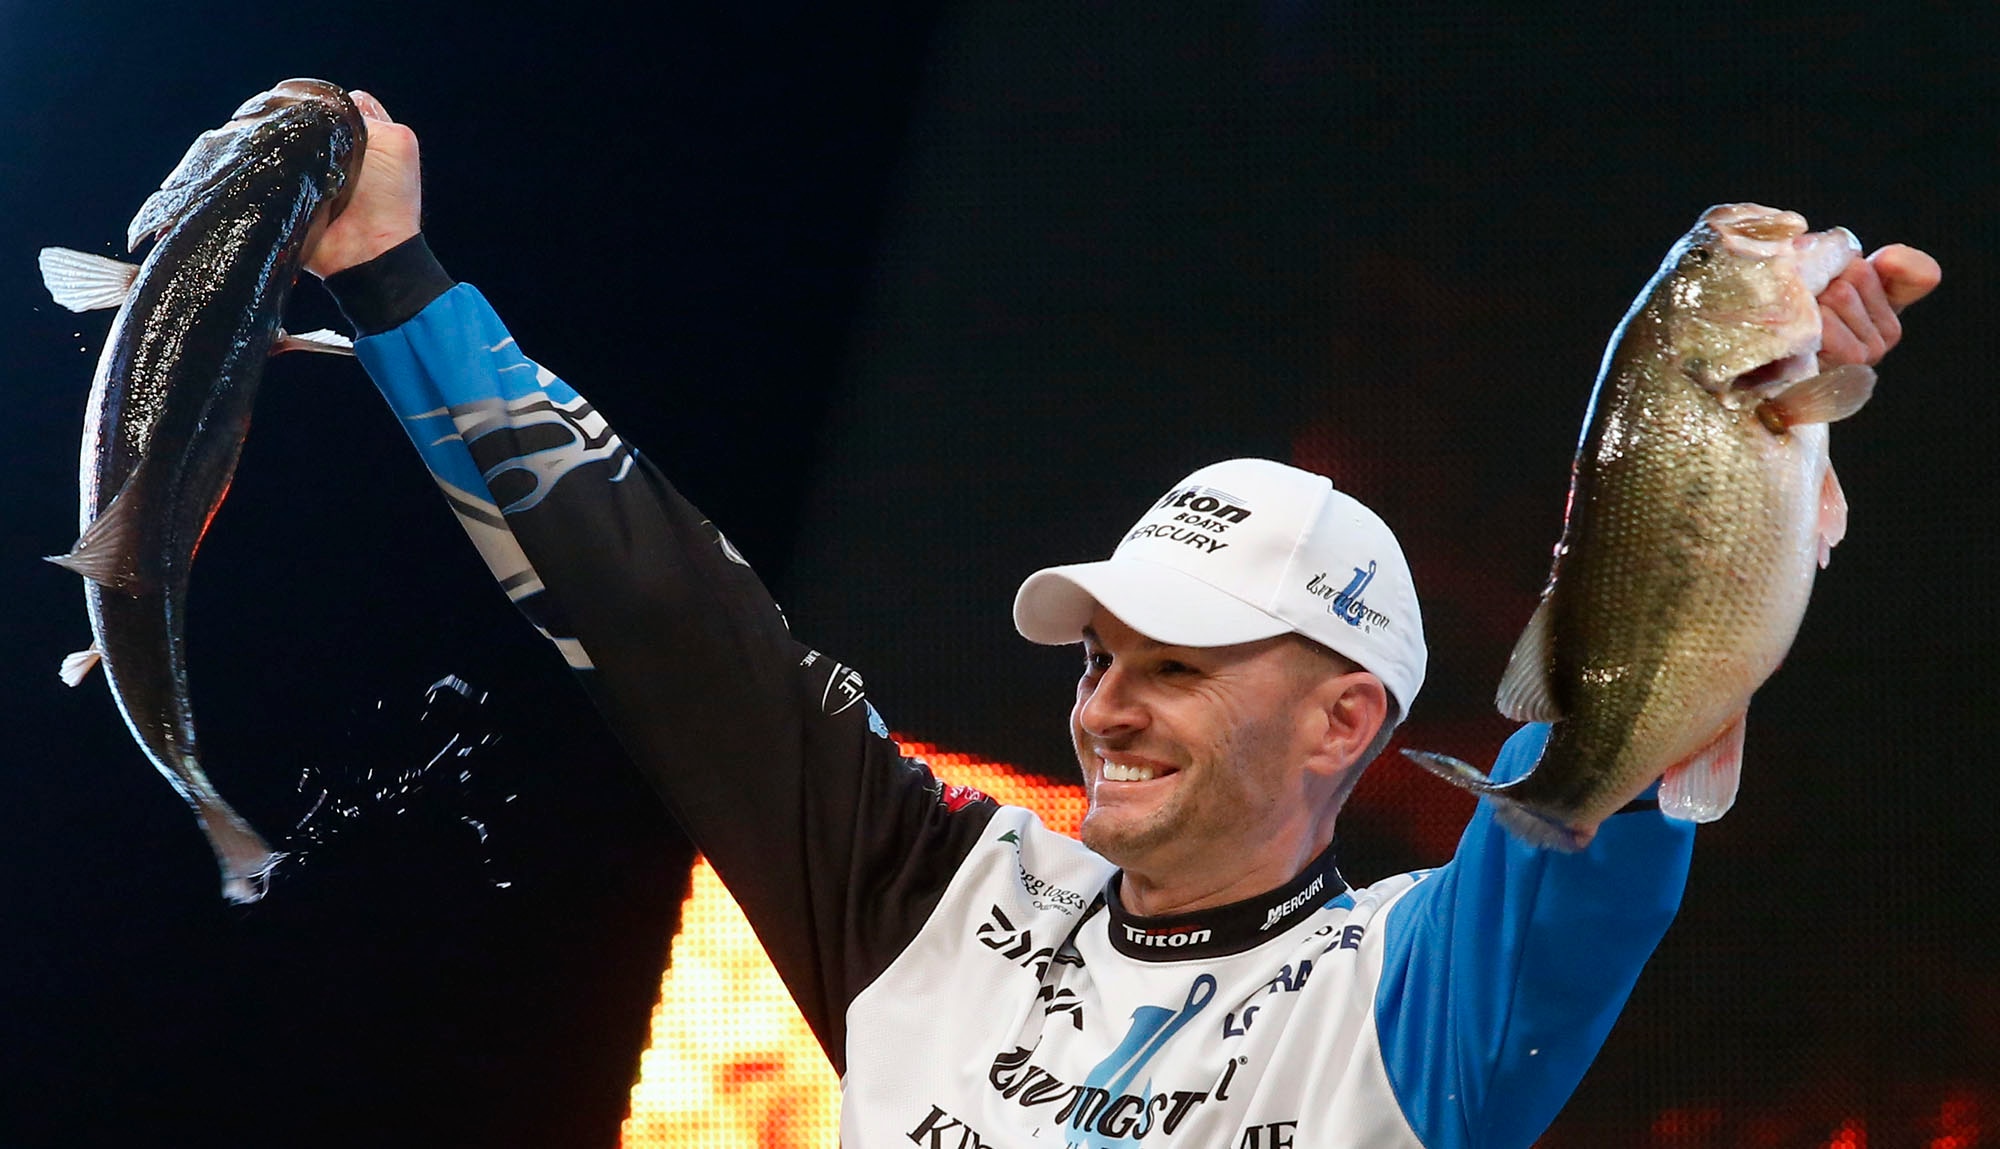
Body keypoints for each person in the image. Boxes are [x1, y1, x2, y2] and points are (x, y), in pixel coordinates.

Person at [311, 92, 1940, 1147]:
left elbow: (1617, 713)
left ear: (1344, 719)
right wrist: (392, 275)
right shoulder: (935, 899)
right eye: (1101, 657)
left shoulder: (1417, 999)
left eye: (1178, 663)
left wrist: (1741, 428)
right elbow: (669, 618)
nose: (1102, 706)